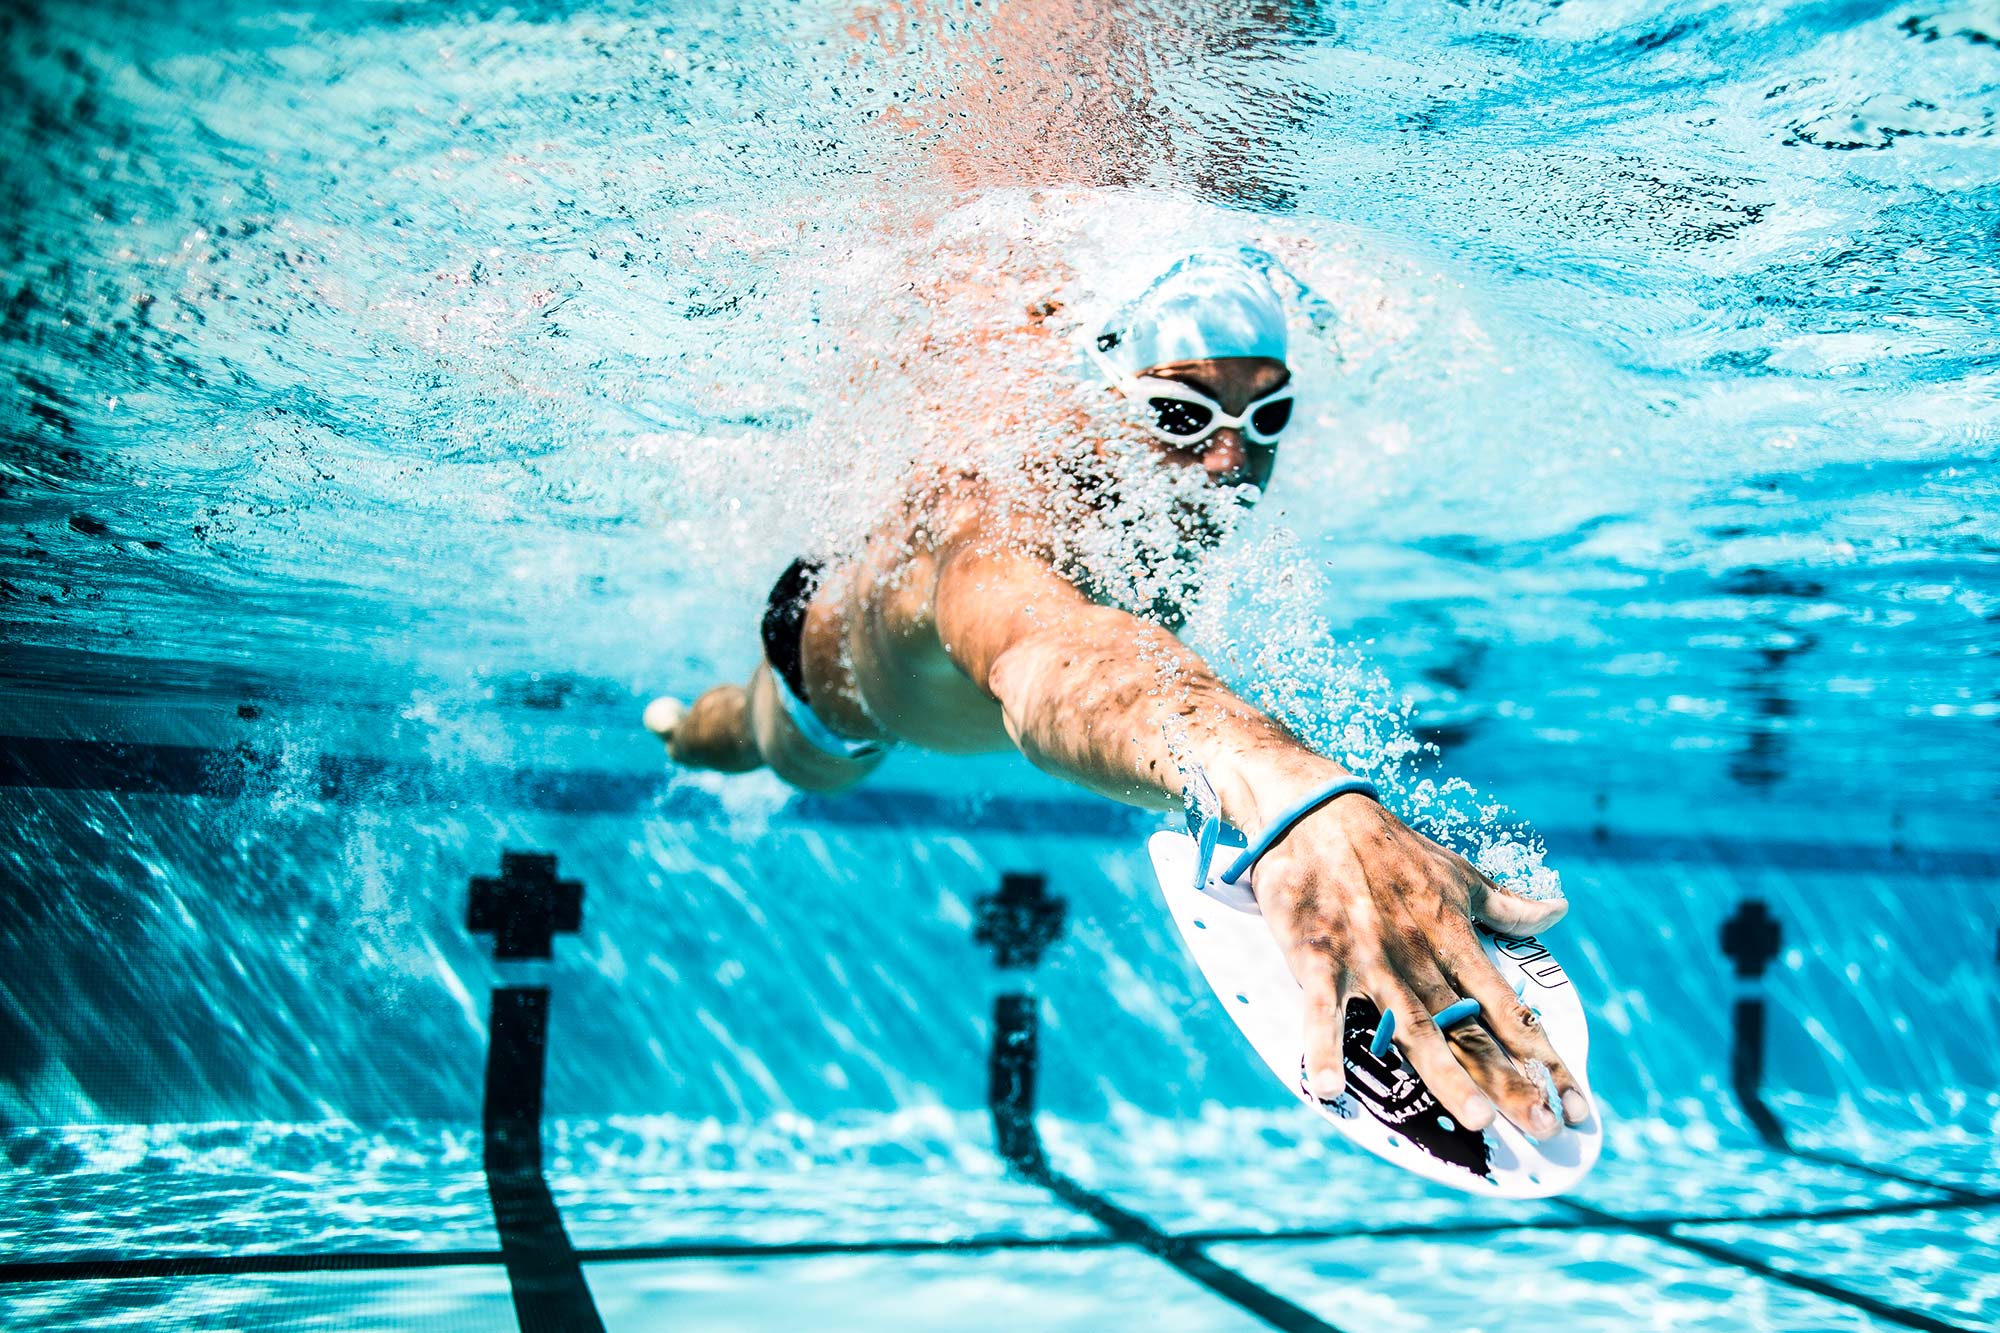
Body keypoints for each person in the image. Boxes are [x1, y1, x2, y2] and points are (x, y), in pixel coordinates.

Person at [643, 250, 1589, 1143]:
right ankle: (681, 730)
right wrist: (1280, 785)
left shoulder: (1174, 486)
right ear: (1095, 396)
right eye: (1183, 415)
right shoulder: (991, 519)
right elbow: (1047, 650)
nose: (1230, 459)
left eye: (1267, 416)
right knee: (770, 744)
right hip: (836, 683)